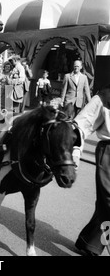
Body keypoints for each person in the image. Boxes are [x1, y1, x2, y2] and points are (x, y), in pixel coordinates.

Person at [72, 84, 110, 256]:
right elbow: (82, 124)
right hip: (108, 152)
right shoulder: (104, 96)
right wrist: (74, 152)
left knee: (105, 204)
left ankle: (90, 242)